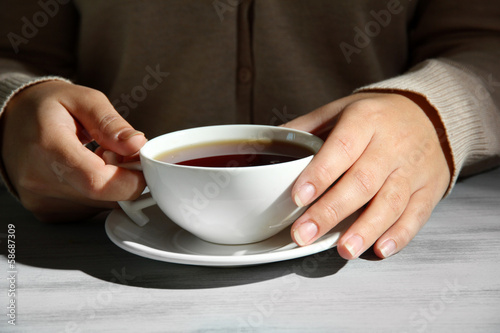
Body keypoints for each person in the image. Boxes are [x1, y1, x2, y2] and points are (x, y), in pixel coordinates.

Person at [0, 1, 499, 260]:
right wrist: (14, 106)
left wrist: (434, 111)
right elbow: (16, 47)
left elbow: (483, 39)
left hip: (361, 253)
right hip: (96, 261)